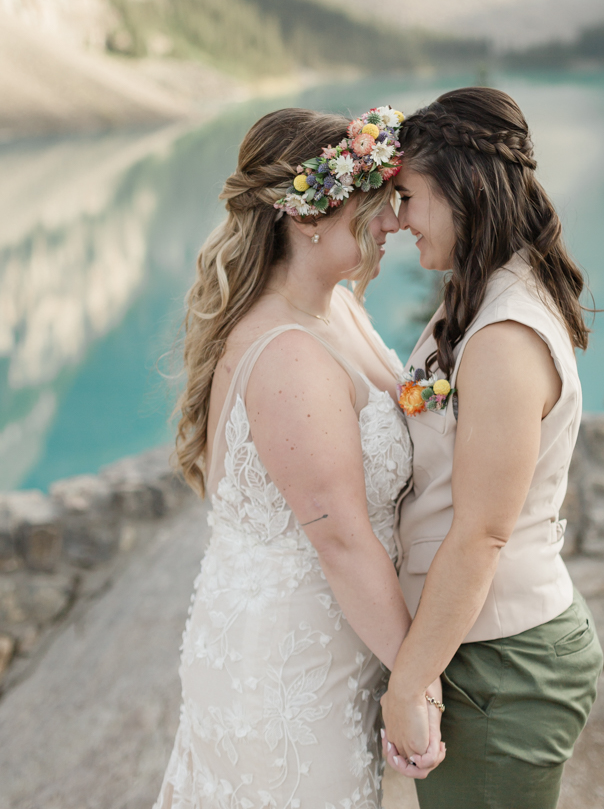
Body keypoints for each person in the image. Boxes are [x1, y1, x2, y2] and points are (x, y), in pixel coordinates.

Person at [153, 106, 445, 809]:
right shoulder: (287, 354)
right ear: (309, 214)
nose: (394, 221)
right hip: (288, 663)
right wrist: (422, 682)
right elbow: (342, 540)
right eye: (375, 202)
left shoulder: (336, 307)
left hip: (339, 639)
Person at [381, 87, 604, 809]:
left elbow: (482, 533)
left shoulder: (505, 336)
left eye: (408, 197)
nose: (399, 219)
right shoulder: (476, 298)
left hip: (504, 665)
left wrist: (408, 682)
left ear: (462, 188)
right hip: (480, 653)